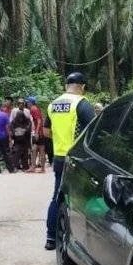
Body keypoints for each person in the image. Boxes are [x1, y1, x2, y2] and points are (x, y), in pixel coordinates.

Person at [44, 72, 96, 250]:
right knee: (83, 200)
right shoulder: (81, 104)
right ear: (82, 87)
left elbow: (45, 132)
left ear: (66, 85)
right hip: (77, 158)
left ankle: (51, 237)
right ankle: (83, 242)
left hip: (59, 158)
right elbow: (94, 130)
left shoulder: (53, 105)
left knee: (57, 196)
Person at [9, 97, 33, 172]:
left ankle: (25, 166)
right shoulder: (14, 112)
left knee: (25, 153)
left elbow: (29, 124)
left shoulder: (27, 113)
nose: (21, 105)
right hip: (17, 139)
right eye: (19, 103)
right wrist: (14, 134)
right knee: (16, 153)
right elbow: (11, 124)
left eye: (22, 103)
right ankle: (15, 167)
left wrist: (25, 131)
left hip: (25, 138)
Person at [27, 96, 46, 173]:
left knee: (40, 150)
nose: (27, 104)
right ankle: (34, 167)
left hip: (39, 133)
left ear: (30, 102)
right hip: (40, 132)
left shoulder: (33, 109)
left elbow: (39, 121)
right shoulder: (36, 108)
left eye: (28, 102)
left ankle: (41, 168)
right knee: (35, 149)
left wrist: (36, 132)